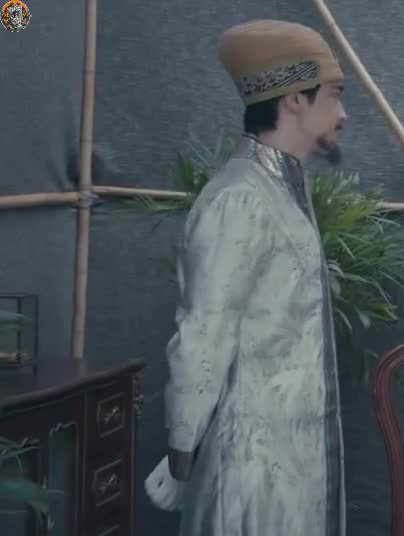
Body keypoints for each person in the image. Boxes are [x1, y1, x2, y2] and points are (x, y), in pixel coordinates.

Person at [161, 19, 348, 536]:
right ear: (294, 99)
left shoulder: (281, 189)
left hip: (294, 459)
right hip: (251, 469)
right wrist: (182, 451)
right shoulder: (240, 198)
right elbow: (203, 332)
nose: (344, 114)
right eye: (335, 95)